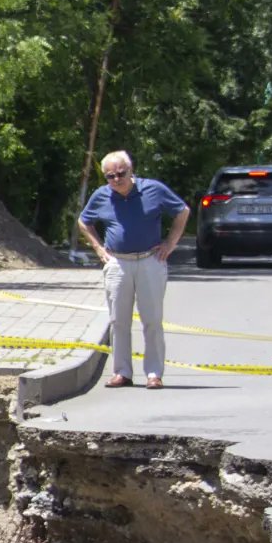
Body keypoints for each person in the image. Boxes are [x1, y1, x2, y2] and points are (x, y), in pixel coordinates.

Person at [77, 150, 189, 389]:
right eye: (110, 176)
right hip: (117, 262)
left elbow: (183, 211)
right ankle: (122, 372)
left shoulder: (153, 190)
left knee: (152, 319)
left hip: (150, 260)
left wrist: (171, 243)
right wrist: (98, 248)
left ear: (131, 171)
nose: (116, 179)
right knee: (118, 320)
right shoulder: (102, 195)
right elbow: (83, 221)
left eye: (121, 173)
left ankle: (154, 373)